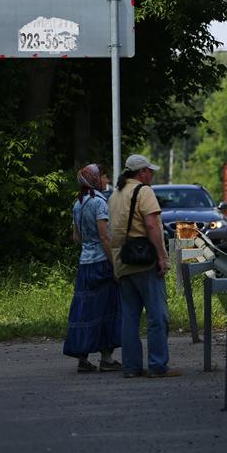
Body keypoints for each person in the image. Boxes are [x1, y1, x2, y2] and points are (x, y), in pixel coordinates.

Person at [108, 154, 180, 378]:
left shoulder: (115, 195)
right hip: (144, 262)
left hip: (122, 262)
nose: (152, 174)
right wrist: (162, 257)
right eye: (150, 170)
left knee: (129, 317)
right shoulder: (144, 192)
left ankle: (131, 367)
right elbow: (152, 225)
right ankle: (158, 365)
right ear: (141, 173)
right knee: (157, 316)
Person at [63, 164, 122, 372]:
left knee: (85, 310)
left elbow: (76, 237)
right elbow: (105, 237)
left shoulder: (77, 204)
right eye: (104, 177)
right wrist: (114, 265)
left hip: (84, 263)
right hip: (100, 263)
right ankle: (107, 359)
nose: (106, 180)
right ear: (96, 180)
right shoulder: (99, 202)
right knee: (107, 309)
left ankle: (83, 359)